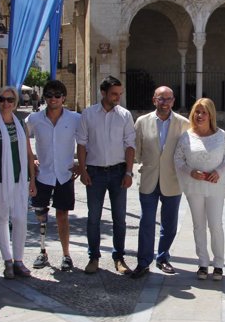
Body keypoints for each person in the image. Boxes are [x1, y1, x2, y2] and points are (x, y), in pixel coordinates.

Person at [77, 76, 135, 275]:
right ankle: (94, 257)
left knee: (119, 218)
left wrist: (128, 172)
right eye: (113, 94)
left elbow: (130, 145)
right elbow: (82, 144)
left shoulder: (125, 115)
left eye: (120, 94)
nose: (117, 97)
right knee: (93, 217)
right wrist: (83, 171)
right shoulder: (88, 114)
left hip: (119, 172)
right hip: (95, 172)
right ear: (103, 93)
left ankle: (119, 257)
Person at [129, 86, 189, 279]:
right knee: (146, 222)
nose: (165, 103)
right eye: (161, 99)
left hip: (172, 181)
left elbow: (187, 152)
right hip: (149, 179)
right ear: (154, 100)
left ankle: (163, 257)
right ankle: (143, 262)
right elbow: (136, 150)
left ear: (174, 101)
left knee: (169, 224)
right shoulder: (141, 122)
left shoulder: (183, 124)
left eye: (169, 99)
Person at [0, 86, 37, 279]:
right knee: (2, 219)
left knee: (20, 219)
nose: (6, 103)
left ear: (15, 103)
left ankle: (19, 260)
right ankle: (7, 261)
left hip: (19, 180)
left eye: (10, 100)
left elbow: (29, 154)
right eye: (2, 99)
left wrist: (32, 180)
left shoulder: (21, 124)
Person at [174, 98, 225, 280]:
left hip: (215, 186)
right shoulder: (186, 136)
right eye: (197, 112)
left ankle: (219, 264)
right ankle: (202, 263)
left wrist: (219, 171)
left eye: (204, 112)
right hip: (195, 187)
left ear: (211, 115)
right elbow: (178, 159)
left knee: (215, 225)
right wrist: (190, 171)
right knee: (198, 225)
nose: (200, 116)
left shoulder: (221, 135)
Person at [26, 80, 80, 271]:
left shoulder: (75, 119)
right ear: (44, 97)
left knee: (62, 215)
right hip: (43, 174)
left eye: (57, 95)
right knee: (40, 214)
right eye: (49, 95)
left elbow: (85, 141)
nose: (53, 98)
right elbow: (21, 138)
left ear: (64, 97)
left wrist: (81, 164)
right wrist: (31, 160)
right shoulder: (34, 119)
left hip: (64, 174)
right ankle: (42, 251)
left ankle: (66, 255)